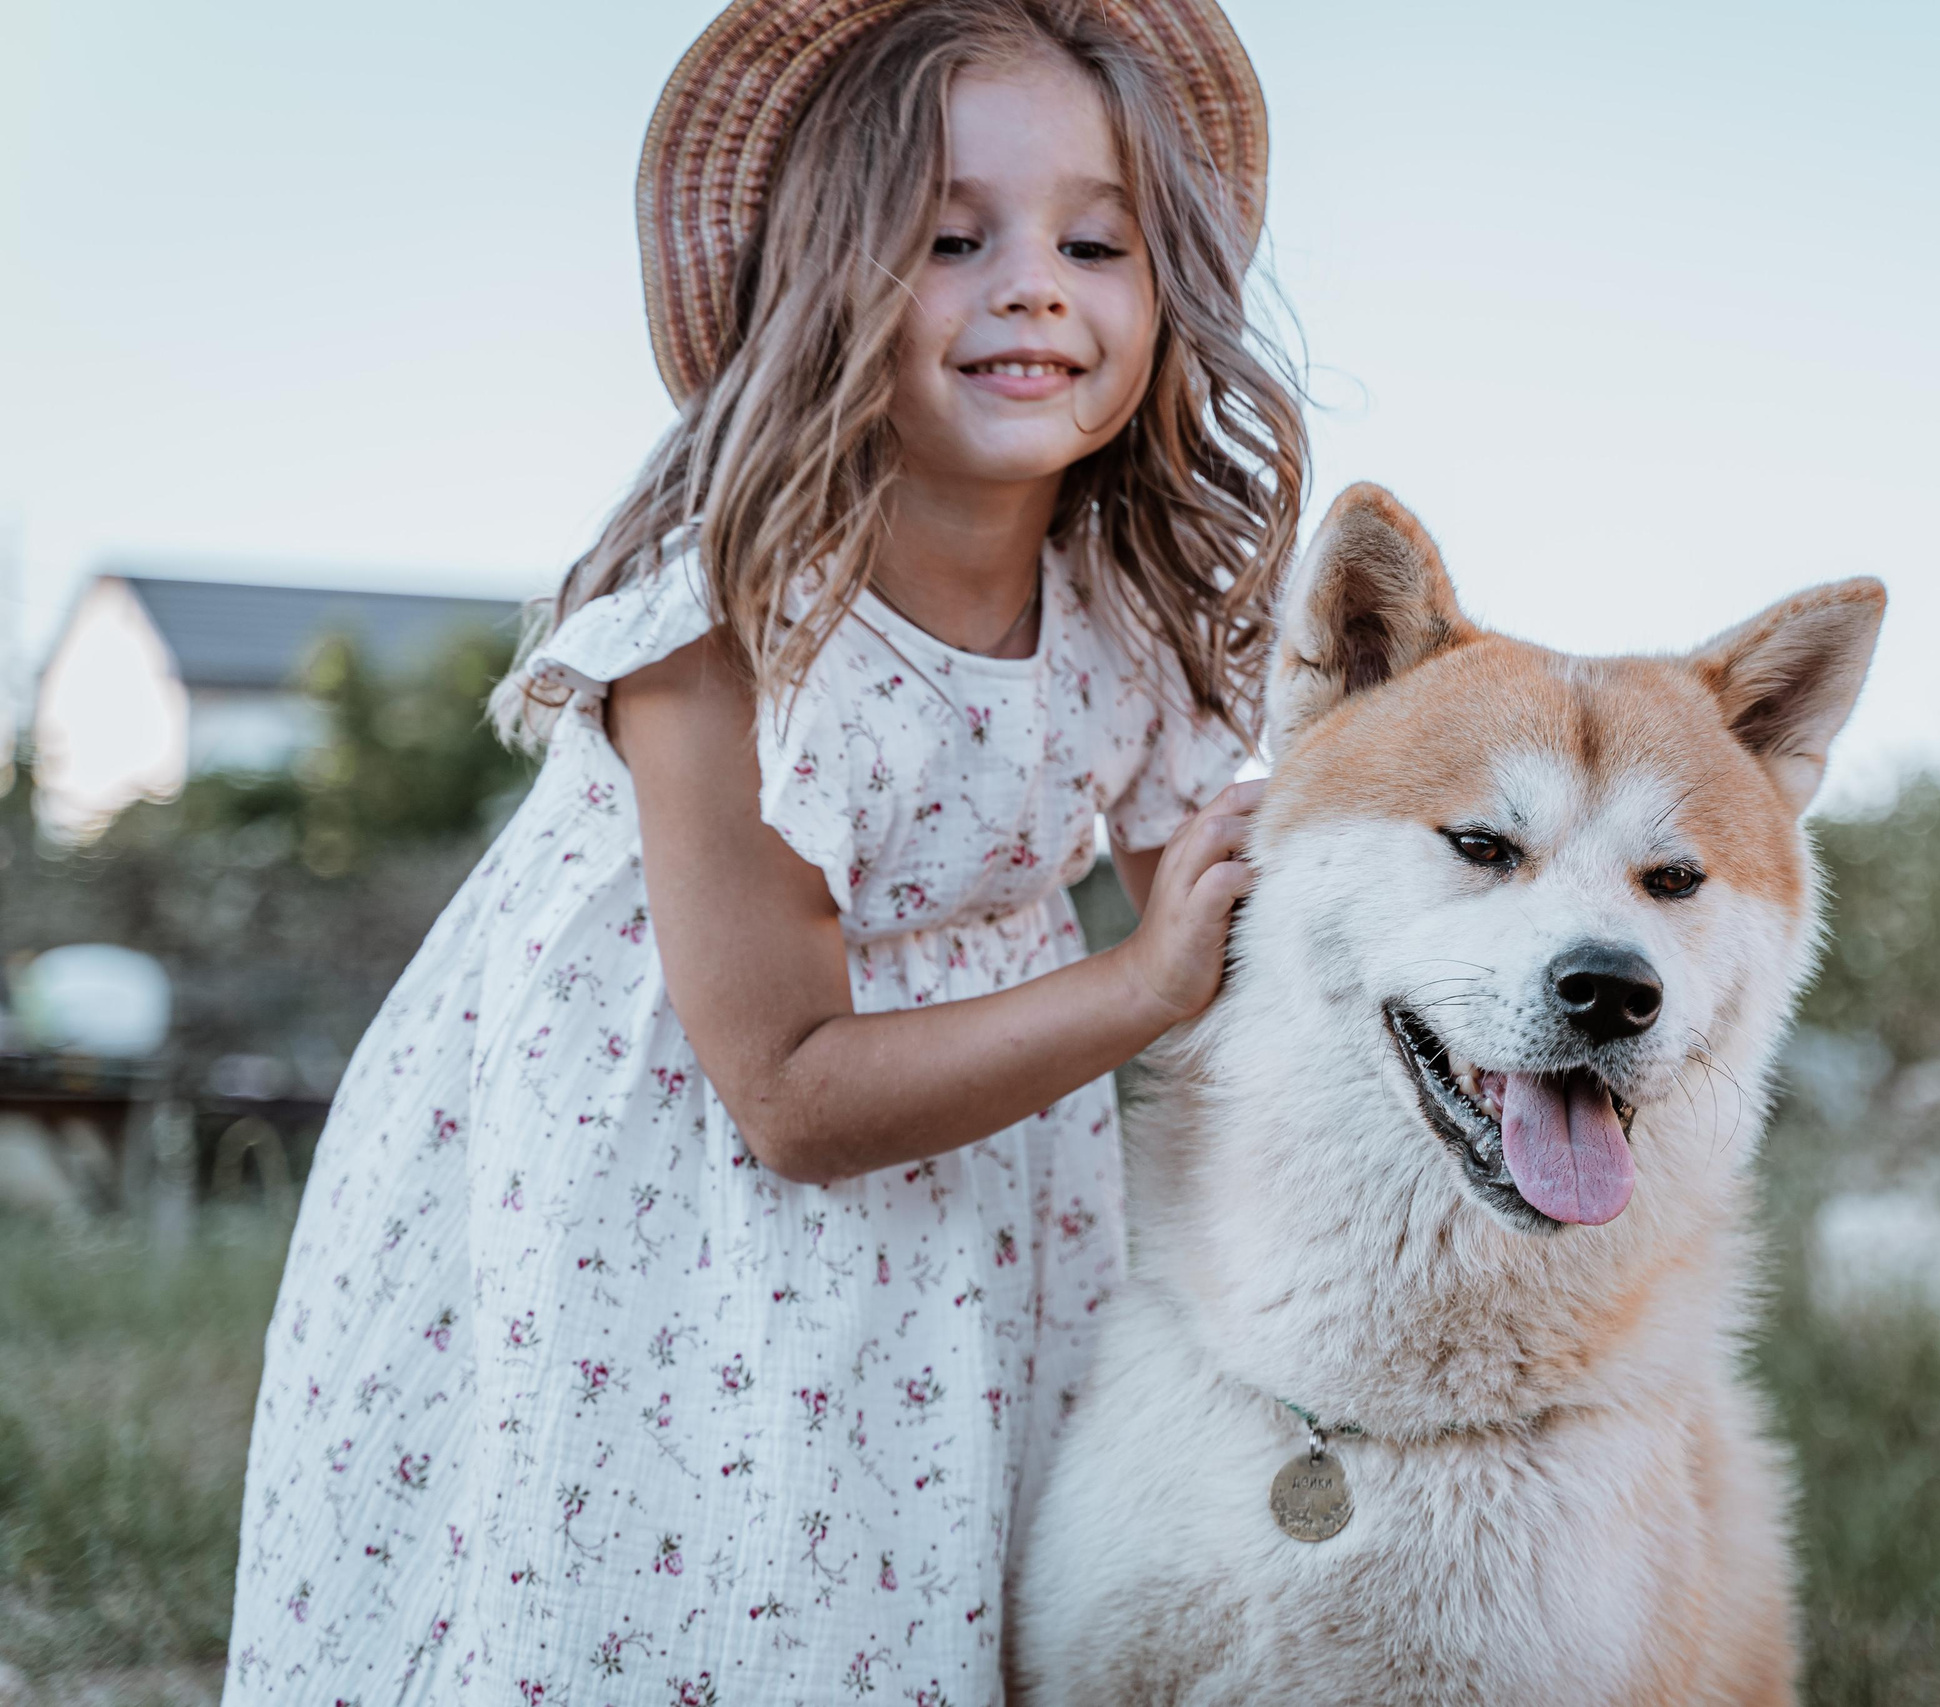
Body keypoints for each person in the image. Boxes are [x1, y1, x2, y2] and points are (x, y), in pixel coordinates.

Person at [222, 1, 1302, 1699]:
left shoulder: (1129, 615)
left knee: (917, 1581)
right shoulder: (728, 636)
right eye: (952, 239)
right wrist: (1138, 987)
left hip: (976, 1200)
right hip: (671, 1202)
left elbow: (1237, 950)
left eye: (1096, 243)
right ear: (825, 283)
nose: (1036, 287)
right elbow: (791, 1095)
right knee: (698, 1588)